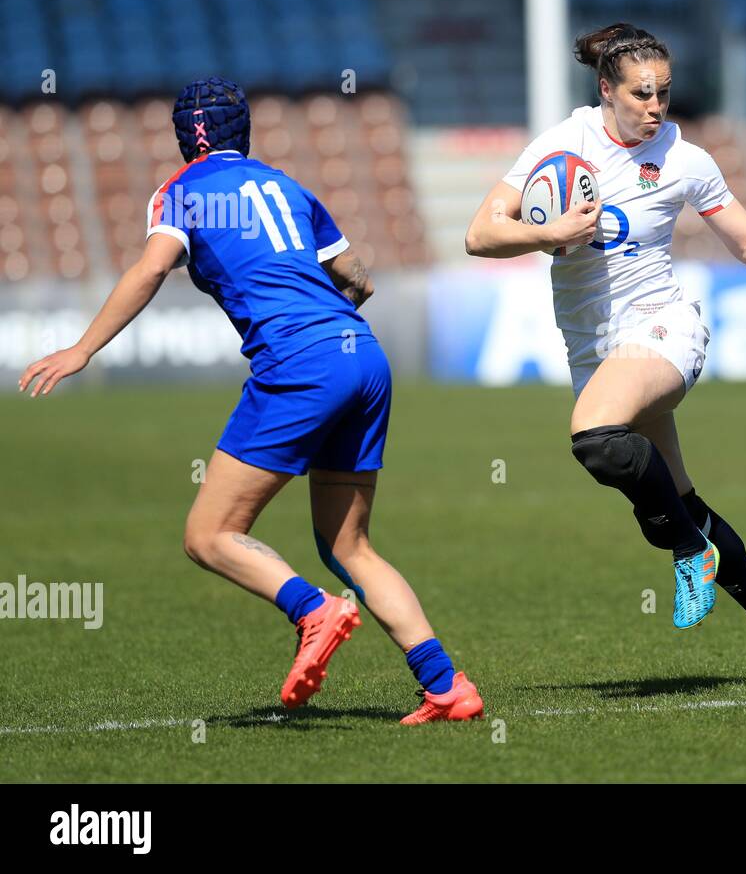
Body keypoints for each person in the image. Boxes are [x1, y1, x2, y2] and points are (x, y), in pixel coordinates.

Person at [19, 77, 482, 722]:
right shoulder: (287, 186)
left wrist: (82, 350)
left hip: (299, 364)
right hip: (362, 355)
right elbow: (358, 279)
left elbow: (152, 268)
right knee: (350, 547)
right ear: (246, 131)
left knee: (209, 536)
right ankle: (447, 687)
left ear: (185, 137)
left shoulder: (179, 192)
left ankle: (313, 611)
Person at [466, 23, 746, 686]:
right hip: (592, 346)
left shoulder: (685, 157)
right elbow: (481, 234)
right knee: (675, 499)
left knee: (596, 436)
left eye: (665, 93)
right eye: (643, 94)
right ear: (606, 89)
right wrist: (548, 231)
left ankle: (689, 552)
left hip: (662, 326)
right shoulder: (563, 145)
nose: (657, 106)